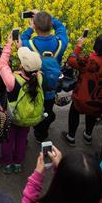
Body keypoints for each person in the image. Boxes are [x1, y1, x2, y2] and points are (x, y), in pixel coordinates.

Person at [0, 33, 44, 173]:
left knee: (7, 140)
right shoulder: (39, 78)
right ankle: (18, 162)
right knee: (22, 139)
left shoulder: (13, 81)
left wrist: (8, 46)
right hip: (27, 117)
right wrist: (21, 48)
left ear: (21, 65)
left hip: (12, 117)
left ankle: (6, 163)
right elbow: (30, 68)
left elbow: (2, 65)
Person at [21, 10, 68, 141]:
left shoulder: (29, 45)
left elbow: (22, 39)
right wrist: (49, 18)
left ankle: (28, 128)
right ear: (51, 24)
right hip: (50, 88)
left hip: (34, 86)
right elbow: (61, 28)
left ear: (35, 26)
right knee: (47, 110)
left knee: (31, 108)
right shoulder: (60, 43)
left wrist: (30, 28)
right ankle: (41, 135)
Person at [63, 34, 102, 146]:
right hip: (99, 100)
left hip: (81, 98)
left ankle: (71, 137)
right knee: (92, 115)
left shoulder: (89, 60)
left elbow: (71, 61)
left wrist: (78, 46)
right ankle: (88, 135)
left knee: (74, 113)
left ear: (96, 47)